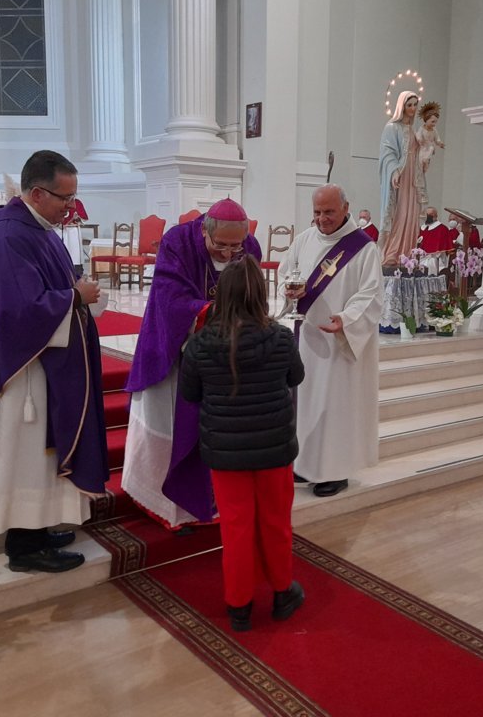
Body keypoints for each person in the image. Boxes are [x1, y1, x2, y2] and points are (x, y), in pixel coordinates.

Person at [0, 150, 110, 573]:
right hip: (24, 372)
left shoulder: (37, 230)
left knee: (38, 456)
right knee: (26, 454)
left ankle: (36, 529)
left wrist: (76, 294)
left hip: (43, 367)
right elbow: (18, 313)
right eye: (65, 198)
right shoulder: (9, 238)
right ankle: (24, 546)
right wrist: (75, 296)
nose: (71, 207)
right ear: (38, 194)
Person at [178, 255, 305, 631]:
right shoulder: (281, 337)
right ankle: (282, 592)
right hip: (274, 448)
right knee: (276, 523)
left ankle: (239, 606)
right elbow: (295, 377)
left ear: (221, 296)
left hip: (226, 451)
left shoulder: (200, 344)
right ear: (260, 295)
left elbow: (189, 394)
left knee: (235, 528)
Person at [122, 198, 262, 528]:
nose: (229, 254)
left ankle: (209, 499)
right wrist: (211, 312)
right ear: (204, 232)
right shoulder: (178, 242)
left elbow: (250, 295)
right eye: (221, 245)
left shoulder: (249, 247)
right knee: (169, 423)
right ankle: (160, 503)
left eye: (235, 246)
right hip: (173, 350)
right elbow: (169, 297)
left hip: (221, 358)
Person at [281, 184, 383, 497]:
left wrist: (346, 319)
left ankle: (336, 472)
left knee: (334, 406)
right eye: (317, 212)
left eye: (329, 212)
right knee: (305, 404)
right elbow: (286, 273)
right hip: (307, 338)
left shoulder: (364, 248)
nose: (322, 219)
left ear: (345, 208)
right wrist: (289, 289)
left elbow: (371, 295)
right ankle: (305, 464)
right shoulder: (304, 239)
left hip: (340, 343)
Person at [378, 91, 422, 267]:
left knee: (412, 213)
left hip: (413, 177)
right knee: (400, 212)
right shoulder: (392, 127)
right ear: (401, 106)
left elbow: (418, 152)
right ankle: (393, 253)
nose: (412, 108)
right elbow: (387, 152)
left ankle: (407, 253)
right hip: (401, 175)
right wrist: (395, 171)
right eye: (409, 105)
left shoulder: (413, 130)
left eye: (415, 105)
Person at [414, 101, 444, 207]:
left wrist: (440, 143)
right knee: (420, 166)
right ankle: (420, 181)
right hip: (422, 149)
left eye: (435, 122)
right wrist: (419, 140)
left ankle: (425, 164)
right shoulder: (422, 129)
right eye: (432, 121)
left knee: (430, 150)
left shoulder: (434, 130)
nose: (434, 124)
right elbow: (418, 136)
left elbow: (437, 139)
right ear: (426, 120)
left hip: (429, 149)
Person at [417, 206, 454, 276]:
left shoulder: (442, 229)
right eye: (426, 215)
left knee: (431, 263)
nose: (427, 217)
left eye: (430, 215)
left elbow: (444, 248)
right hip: (422, 258)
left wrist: (432, 254)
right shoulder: (423, 228)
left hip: (436, 259)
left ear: (435, 216)